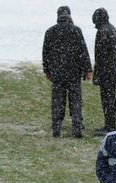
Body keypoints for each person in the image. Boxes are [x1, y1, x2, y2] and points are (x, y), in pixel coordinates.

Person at [42, 6, 92, 138]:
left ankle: (56, 128)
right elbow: (83, 51)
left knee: (57, 100)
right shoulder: (76, 30)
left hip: (57, 73)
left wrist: (47, 70)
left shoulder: (50, 31)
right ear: (69, 15)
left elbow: (45, 53)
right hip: (73, 72)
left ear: (58, 16)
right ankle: (76, 128)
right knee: (75, 100)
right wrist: (87, 69)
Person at [91, 8, 116, 137]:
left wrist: (98, 72)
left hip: (106, 71)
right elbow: (115, 51)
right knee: (111, 99)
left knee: (107, 99)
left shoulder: (103, 31)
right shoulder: (112, 29)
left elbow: (100, 54)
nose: (95, 25)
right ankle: (110, 125)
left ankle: (109, 126)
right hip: (112, 69)